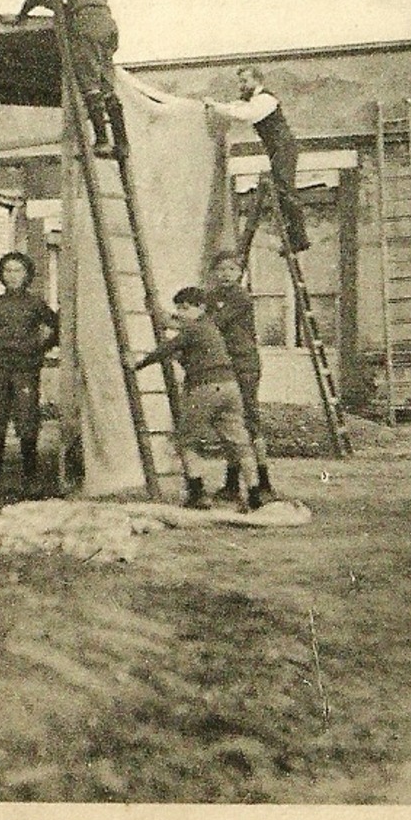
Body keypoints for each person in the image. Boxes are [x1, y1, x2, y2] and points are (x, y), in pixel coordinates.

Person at [127, 287, 262, 511]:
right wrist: (155, 309)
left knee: (186, 440)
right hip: (230, 388)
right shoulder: (210, 328)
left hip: (205, 388)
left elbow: (167, 348)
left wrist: (138, 364)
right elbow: (178, 338)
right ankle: (255, 494)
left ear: (200, 308)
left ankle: (197, 494)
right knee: (239, 442)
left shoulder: (193, 329)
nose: (180, 312)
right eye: (178, 308)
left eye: (185, 308)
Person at [5, 0, 128, 160]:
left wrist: (21, 14)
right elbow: (76, 2)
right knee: (106, 85)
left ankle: (102, 141)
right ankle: (122, 142)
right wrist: (55, 5)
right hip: (105, 23)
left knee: (88, 83)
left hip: (87, 25)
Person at [0, 252, 59, 494]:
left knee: (27, 421)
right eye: (7, 271)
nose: (12, 276)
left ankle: (30, 478)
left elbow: (57, 328)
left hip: (25, 370)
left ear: (27, 274)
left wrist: (40, 346)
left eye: (17, 271)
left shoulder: (35, 305)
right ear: (1, 275)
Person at [205, 66, 312, 255]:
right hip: (276, 149)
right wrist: (215, 105)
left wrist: (215, 106)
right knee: (281, 190)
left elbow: (243, 115)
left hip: (283, 147)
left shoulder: (265, 99)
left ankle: (299, 237)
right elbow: (236, 107)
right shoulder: (253, 100)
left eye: (245, 81)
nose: (241, 85)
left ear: (257, 80)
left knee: (285, 189)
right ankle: (293, 235)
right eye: (240, 81)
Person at [205, 250, 276, 501]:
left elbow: (212, 324)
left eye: (231, 270)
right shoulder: (211, 297)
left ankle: (264, 481)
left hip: (244, 364)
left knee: (248, 420)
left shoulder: (240, 297)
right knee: (229, 421)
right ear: (214, 272)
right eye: (221, 269)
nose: (226, 274)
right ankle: (232, 483)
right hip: (224, 364)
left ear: (240, 273)